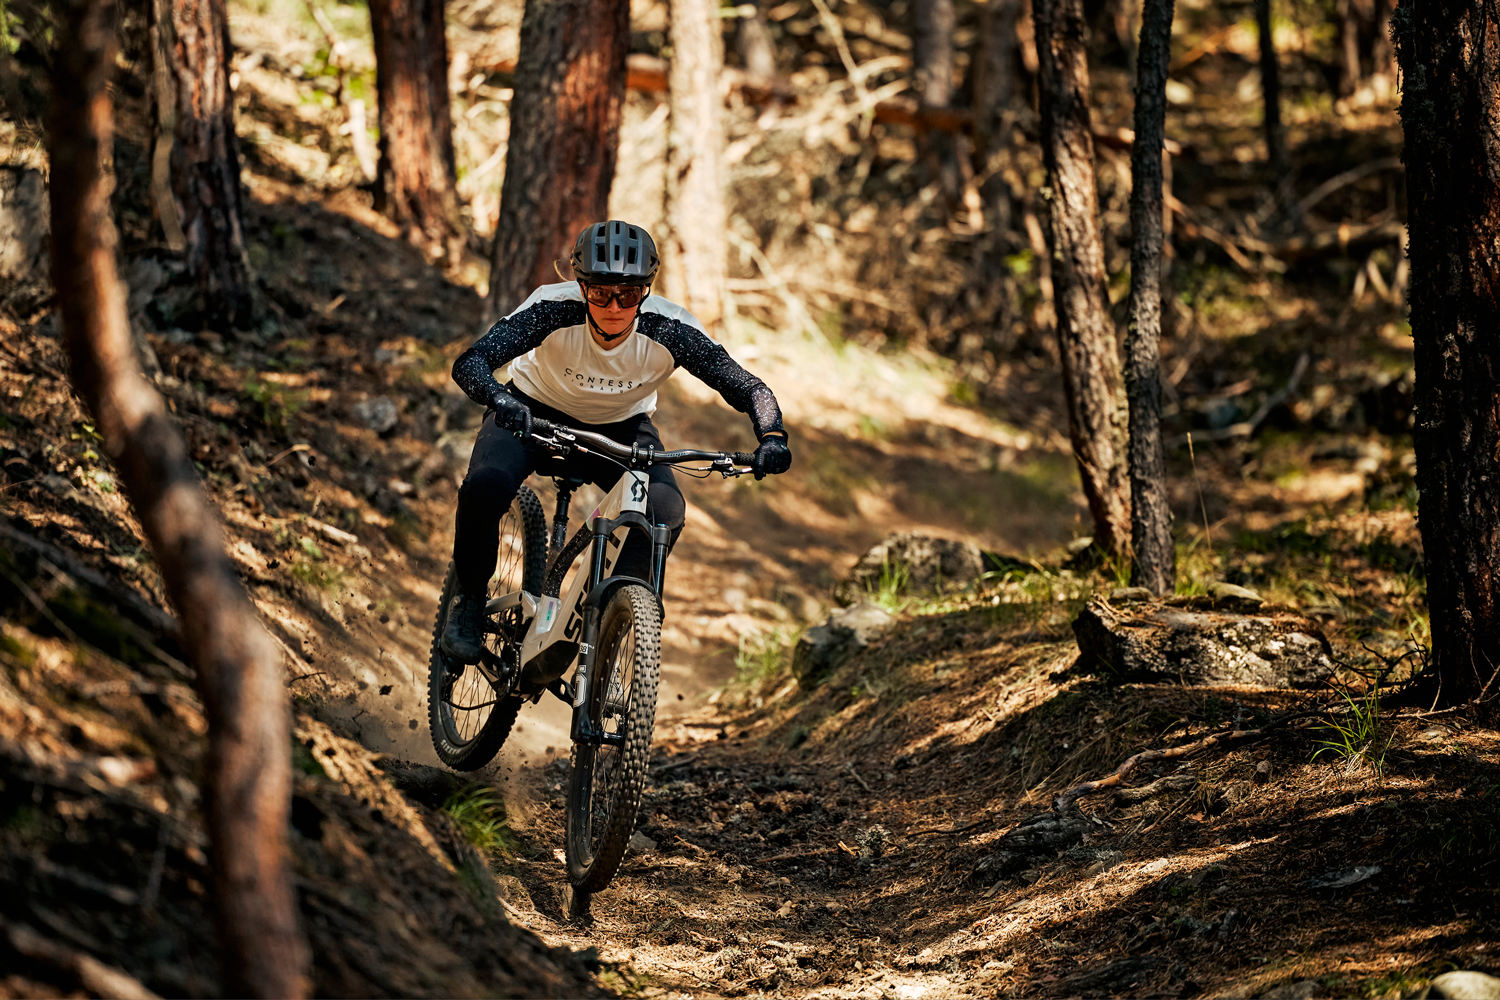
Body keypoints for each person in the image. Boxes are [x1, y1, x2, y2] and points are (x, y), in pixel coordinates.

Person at [442, 220, 792, 665]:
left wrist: (772, 435)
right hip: (532, 410)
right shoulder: (552, 309)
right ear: (581, 285)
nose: (612, 305)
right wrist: (497, 398)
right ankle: (469, 602)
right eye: (600, 292)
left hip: (621, 426)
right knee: (485, 485)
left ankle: (613, 616)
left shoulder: (670, 329)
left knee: (666, 512)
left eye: (627, 295)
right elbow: (471, 362)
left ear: (645, 292)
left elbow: (748, 388)